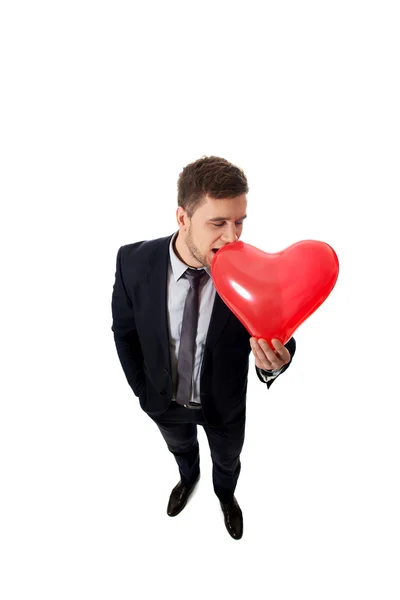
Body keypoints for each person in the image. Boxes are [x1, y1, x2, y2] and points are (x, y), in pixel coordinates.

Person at [111, 155, 296, 540]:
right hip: (163, 401)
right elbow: (124, 333)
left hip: (224, 408)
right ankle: (188, 478)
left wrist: (274, 364)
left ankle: (225, 496)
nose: (233, 237)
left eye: (239, 222)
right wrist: (142, 392)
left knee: (227, 462)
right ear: (182, 219)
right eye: (218, 223)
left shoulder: (254, 270)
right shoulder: (132, 261)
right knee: (180, 450)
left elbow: (280, 336)